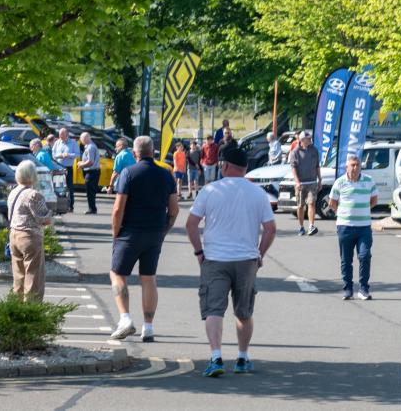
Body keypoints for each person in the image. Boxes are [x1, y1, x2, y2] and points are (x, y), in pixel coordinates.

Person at [185, 147, 276, 377]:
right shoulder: (258, 193)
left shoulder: (210, 190)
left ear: (225, 166)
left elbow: (191, 224)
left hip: (215, 259)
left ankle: (216, 357)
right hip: (246, 260)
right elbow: (270, 229)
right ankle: (242, 358)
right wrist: (260, 254)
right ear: (245, 168)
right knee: (243, 312)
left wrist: (199, 252)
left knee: (213, 310)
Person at [109, 136, 179, 342]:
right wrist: (165, 229)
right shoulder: (166, 174)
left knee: (117, 274)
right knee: (148, 277)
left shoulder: (128, 173)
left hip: (130, 232)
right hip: (155, 232)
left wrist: (115, 232)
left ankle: (125, 319)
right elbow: (174, 209)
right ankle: (148, 327)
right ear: (153, 151)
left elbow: (118, 208)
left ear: (134, 153)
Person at [328, 154, 378, 300]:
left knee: (365, 256)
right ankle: (348, 289)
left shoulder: (369, 181)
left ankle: (363, 289)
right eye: (352, 165)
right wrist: (342, 213)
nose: (355, 168)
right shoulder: (340, 182)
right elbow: (332, 202)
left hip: (364, 227)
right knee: (346, 259)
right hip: (345, 227)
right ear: (347, 167)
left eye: (357, 165)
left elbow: (374, 200)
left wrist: (362, 210)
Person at [7, 160, 54, 301]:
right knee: (34, 276)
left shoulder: (13, 192)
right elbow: (43, 219)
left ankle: (17, 305)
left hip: (14, 235)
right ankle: (31, 308)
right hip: (29, 237)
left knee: (19, 276)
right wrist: (51, 216)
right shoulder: (33, 195)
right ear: (33, 175)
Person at [291, 131, 320, 236]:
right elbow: (293, 168)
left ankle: (311, 226)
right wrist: (297, 182)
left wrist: (320, 179)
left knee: (311, 203)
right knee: (300, 206)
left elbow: (317, 166)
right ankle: (301, 227)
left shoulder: (314, 150)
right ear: (302, 140)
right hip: (301, 183)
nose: (310, 140)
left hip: (312, 182)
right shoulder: (295, 152)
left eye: (310, 138)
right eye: (308, 139)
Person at [52, 128, 80, 212]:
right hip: (58, 168)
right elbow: (53, 155)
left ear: (67, 134)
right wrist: (59, 155)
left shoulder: (73, 143)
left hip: (68, 168)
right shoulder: (57, 142)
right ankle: (59, 206)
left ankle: (70, 206)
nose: (60, 136)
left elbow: (77, 154)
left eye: (62, 134)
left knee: (69, 187)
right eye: (60, 134)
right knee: (58, 187)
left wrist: (68, 155)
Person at [77, 132, 101, 214]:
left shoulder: (90, 147)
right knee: (91, 191)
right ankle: (92, 208)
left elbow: (90, 162)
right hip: (92, 171)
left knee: (90, 192)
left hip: (92, 172)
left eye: (81, 139)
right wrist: (82, 163)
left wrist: (81, 165)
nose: (81, 140)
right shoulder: (90, 146)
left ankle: (92, 209)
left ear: (85, 138)